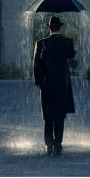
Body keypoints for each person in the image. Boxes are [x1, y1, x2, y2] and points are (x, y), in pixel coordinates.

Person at [33, 15, 76, 156]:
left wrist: (38, 81)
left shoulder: (40, 43)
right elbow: (71, 55)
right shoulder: (67, 42)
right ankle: (58, 144)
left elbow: (36, 64)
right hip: (62, 84)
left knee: (48, 115)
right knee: (60, 115)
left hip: (46, 84)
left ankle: (48, 144)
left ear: (49, 28)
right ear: (61, 27)